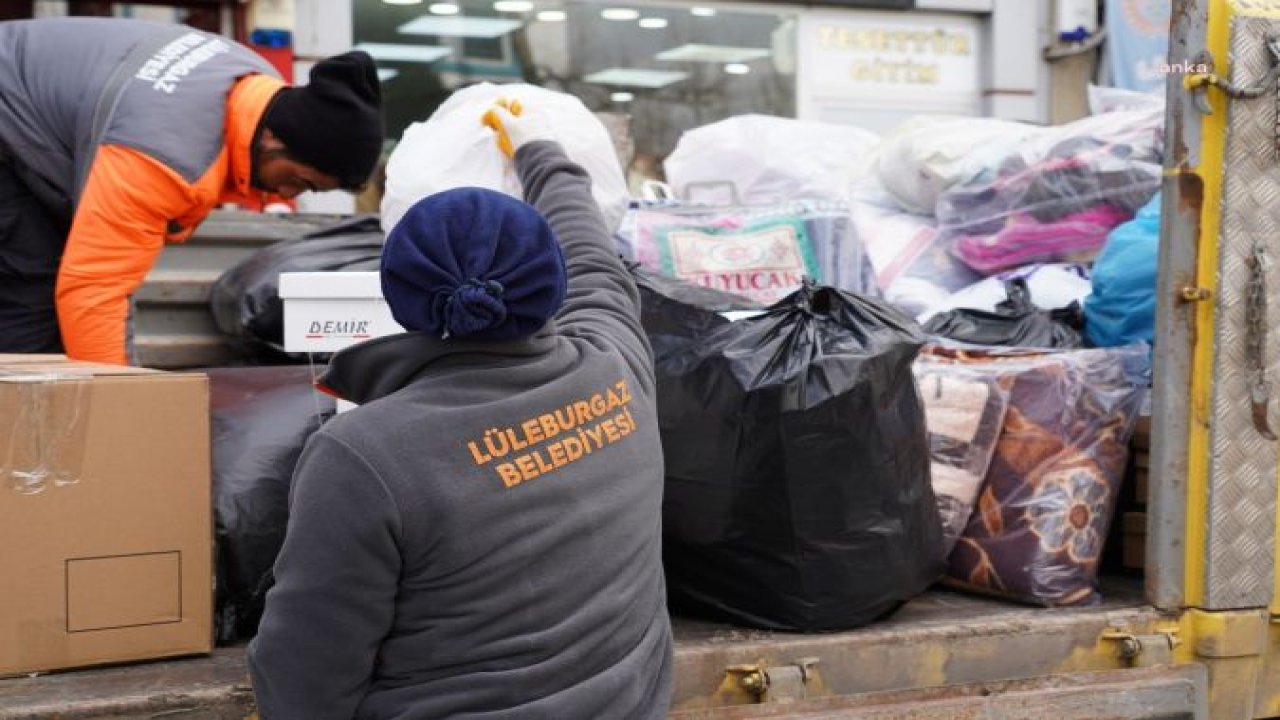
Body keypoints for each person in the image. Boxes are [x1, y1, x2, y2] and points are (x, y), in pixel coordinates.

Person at [248, 99, 674, 719]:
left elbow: (305, 673)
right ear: (552, 283)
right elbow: (590, 250)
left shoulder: (364, 452)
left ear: (395, 297)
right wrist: (539, 151)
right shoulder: (616, 365)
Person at [0, 17, 383, 364]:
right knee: (31, 298)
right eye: (300, 181)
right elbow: (94, 292)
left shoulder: (254, 86)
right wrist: (116, 412)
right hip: (10, 124)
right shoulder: (164, 153)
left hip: (27, 125)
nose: (288, 193)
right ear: (272, 139)